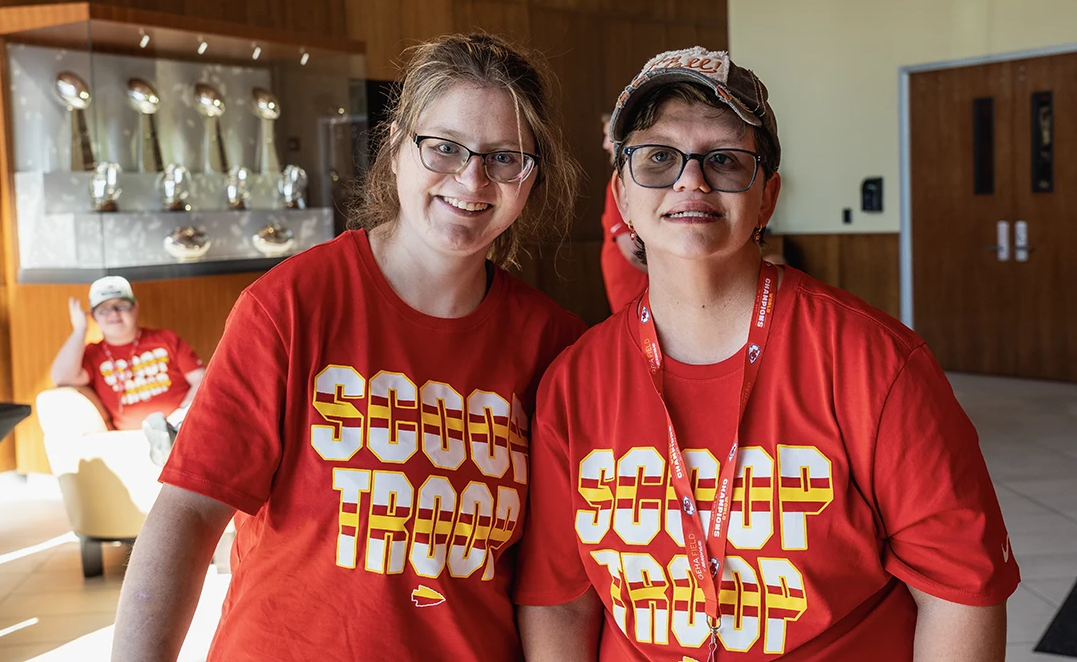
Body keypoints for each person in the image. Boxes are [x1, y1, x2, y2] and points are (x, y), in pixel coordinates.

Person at [515, 47, 1018, 661]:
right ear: (621, 193)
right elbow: (562, 602)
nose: (690, 180)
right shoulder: (574, 383)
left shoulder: (875, 363)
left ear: (768, 196)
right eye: (658, 157)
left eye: (725, 160)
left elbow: (960, 592)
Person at [112, 33, 586, 662]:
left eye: (505, 158)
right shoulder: (293, 305)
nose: (472, 179)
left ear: (530, 179)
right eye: (444, 147)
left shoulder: (554, 343)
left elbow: (552, 584)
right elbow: (189, 515)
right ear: (396, 150)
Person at [49, 275, 204, 465]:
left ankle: (171, 437)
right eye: (104, 309)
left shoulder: (165, 338)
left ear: (135, 308)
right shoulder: (93, 354)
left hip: (182, 426)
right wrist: (80, 329)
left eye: (121, 305)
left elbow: (201, 380)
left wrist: (181, 415)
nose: (113, 313)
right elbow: (62, 378)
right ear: (94, 316)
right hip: (133, 441)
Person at [600, 113, 648, 312]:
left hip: (637, 297)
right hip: (630, 297)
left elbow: (633, 253)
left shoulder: (623, 182)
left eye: (608, 136)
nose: (604, 145)